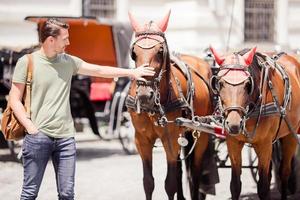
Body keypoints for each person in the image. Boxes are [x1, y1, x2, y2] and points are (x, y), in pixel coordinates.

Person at [9, 18, 155, 200]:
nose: (68, 43)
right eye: (65, 39)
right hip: (38, 137)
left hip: (65, 139)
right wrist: (31, 127)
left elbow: (99, 70)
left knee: (67, 194)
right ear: (51, 40)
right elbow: (14, 100)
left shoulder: (68, 61)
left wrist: (132, 72)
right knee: (30, 193)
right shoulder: (27, 62)